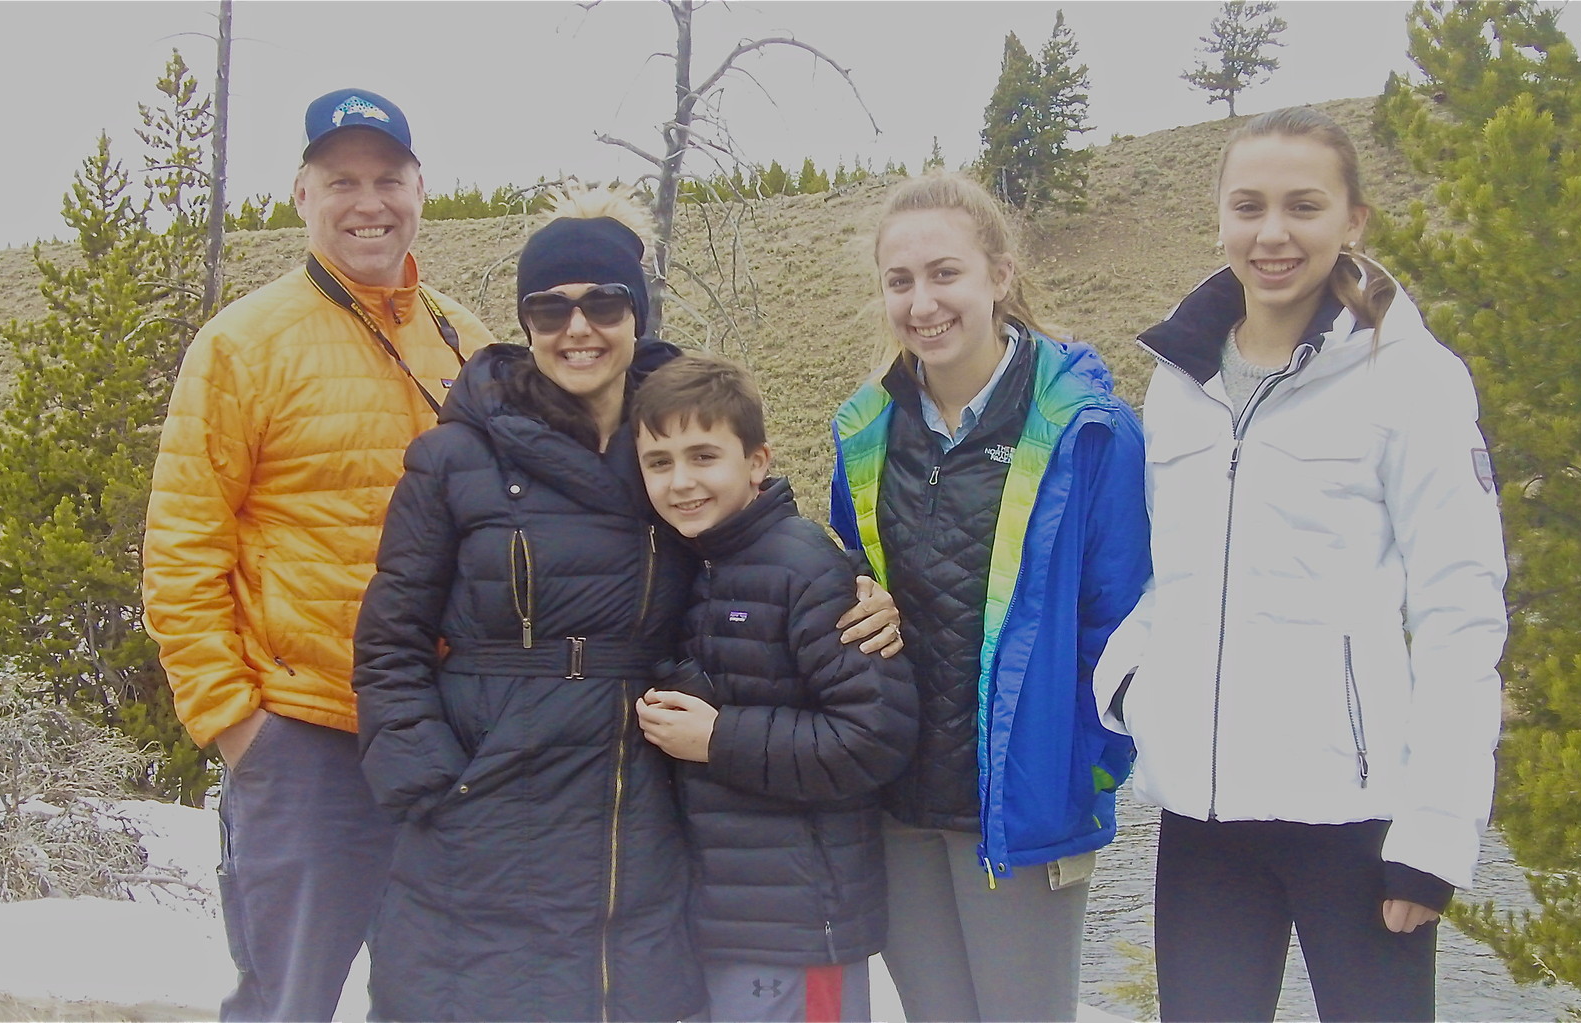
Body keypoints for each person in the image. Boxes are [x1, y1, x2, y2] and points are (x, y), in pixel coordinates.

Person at [350, 189, 903, 1021]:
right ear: (525, 323)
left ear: (636, 312)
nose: (578, 327)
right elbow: (389, 641)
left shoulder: (669, 445)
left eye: (603, 302)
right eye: (550, 307)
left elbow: (752, 547)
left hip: (639, 798)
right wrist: (429, 781)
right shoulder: (454, 457)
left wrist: (857, 595)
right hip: (489, 793)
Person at [1093, 106, 1509, 1022]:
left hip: (1356, 817)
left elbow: (1461, 616)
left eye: (1302, 206)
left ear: (1353, 220)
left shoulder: (1412, 380)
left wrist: (1436, 834)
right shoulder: (1179, 383)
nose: (1271, 232)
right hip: (1204, 817)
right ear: (1221, 218)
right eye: (1248, 206)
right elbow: (1174, 579)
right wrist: (1132, 686)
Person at [141, 88, 496, 1022]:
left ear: (422, 190)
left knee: (438, 997)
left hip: (445, 732)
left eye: (389, 178)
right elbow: (182, 551)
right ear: (301, 193)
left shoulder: (473, 344)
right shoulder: (241, 347)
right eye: (342, 180)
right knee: (286, 999)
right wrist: (235, 725)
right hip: (303, 738)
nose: (367, 201)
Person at [828, 172, 1152, 1023]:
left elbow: (1122, 629)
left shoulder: (1091, 432)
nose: (922, 302)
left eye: (945, 274)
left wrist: (1085, 772)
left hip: (1023, 804)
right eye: (900, 282)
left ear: (999, 276)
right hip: (897, 795)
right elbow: (850, 587)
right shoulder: (864, 432)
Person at [630, 353, 919, 1023]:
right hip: (716, 921)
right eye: (659, 462)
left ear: (756, 462)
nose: (681, 482)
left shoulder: (803, 565)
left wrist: (718, 738)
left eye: (704, 456)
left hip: (798, 927)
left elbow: (874, 735)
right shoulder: (687, 563)